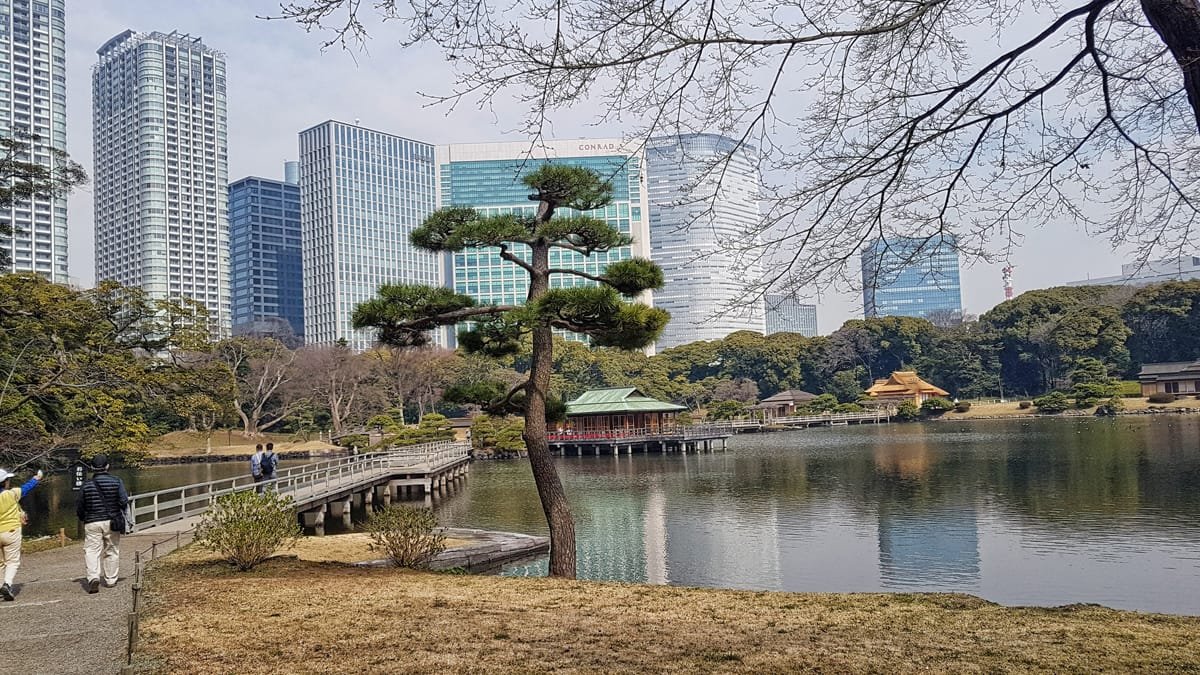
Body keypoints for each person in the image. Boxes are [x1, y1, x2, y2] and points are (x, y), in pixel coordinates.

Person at [75, 454, 128, 594]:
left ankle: (93, 577)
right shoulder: (117, 481)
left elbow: (80, 505)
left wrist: (83, 517)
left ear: (92, 468)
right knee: (112, 550)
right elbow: (123, 501)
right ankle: (111, 579)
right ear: (107, 466)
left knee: (92, 550)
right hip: (112, 521)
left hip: (92, 521)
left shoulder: (86, 485)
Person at [0, 467, 42, 601]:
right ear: (5, 482)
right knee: (12, 561)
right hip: (11, 531)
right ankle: (7, 584)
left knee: (0, 563)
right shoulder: (12, 493)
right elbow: (26, 488)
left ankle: (1, 585)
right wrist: (37, 478)